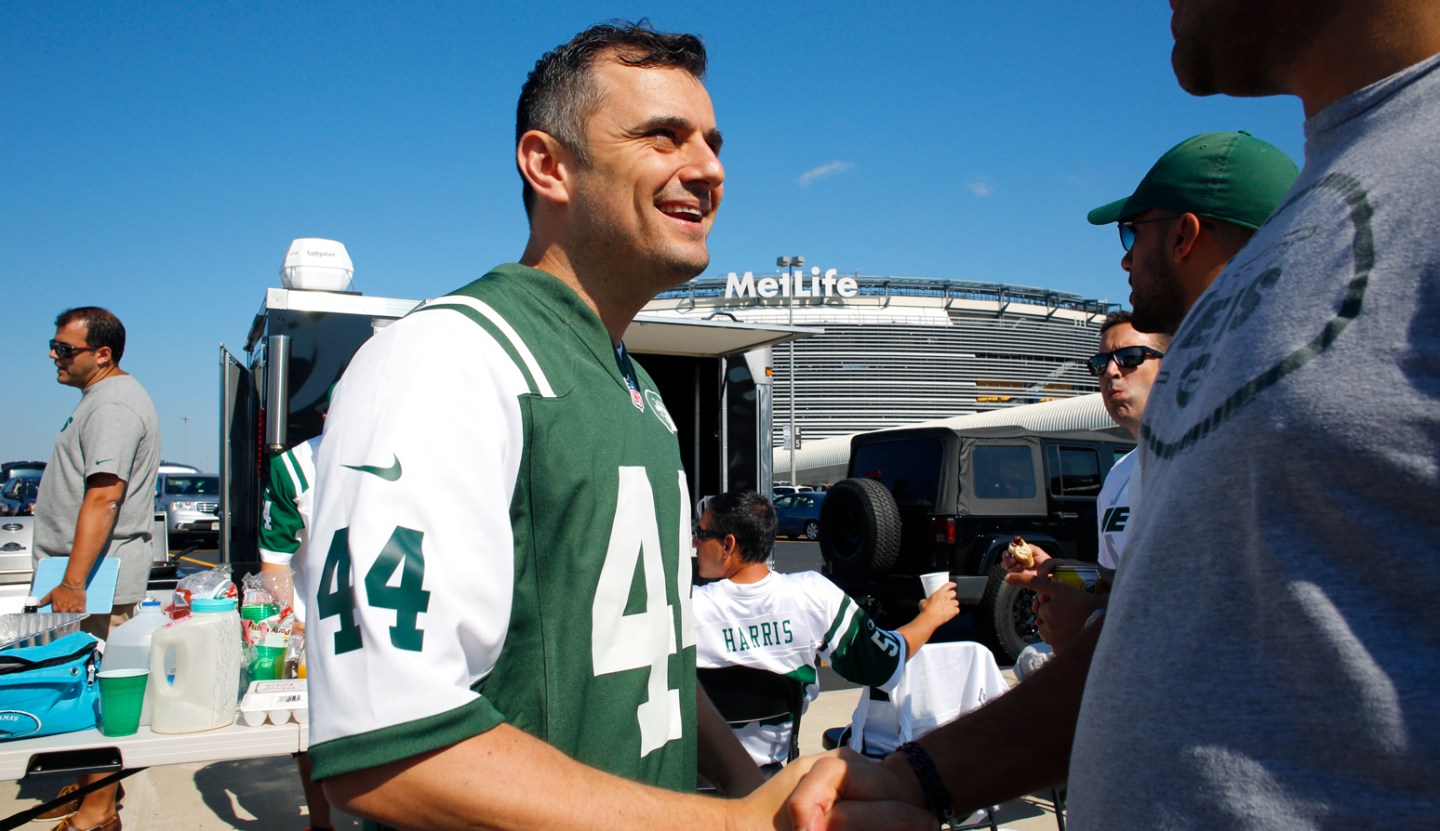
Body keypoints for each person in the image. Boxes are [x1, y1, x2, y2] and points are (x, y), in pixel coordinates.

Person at [788, 3, 1440, 828]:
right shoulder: (1314, 223)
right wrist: (922, 777)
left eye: (1135, 231)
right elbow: (1158, 640)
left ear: (1188, 233)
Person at [302, 21, 801, 830]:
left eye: (711, 141)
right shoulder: (444, 358)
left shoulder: (637, 388)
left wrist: (755, 793)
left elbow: (651, 657)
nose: (707, 168)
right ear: (548, 164)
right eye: (662, 136)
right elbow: (386, 752)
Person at [692, 490, 959, 769]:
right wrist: (931, 617)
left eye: (701, 534)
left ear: (728, 545)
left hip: (692, 779)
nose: (695, 543)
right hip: (769, 778)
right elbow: (882, 663)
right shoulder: (814, 596)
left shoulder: (687, 609)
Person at [34, 307, 160, 831]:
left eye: (65, 349)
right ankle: (95, 788)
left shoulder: (114, 406)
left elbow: (105, 497)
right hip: (87, 577)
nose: (53, 355)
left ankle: (97, 813)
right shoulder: (101, 400)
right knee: (84, 692)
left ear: (102, 354)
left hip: (95, 581)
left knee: (99, 697)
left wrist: (72, 582)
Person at [257, 406, 331, 831]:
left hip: (391, 618)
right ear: (325, 415)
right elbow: (275, 561)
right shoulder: (297, 465)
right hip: (319, 621)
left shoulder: (415, 454)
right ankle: (321, 823)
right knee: (311, 735)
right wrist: (288, 619)